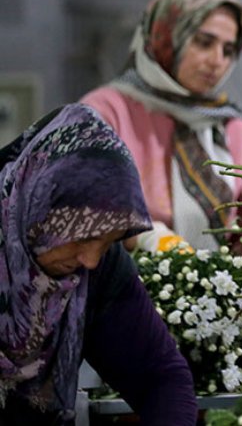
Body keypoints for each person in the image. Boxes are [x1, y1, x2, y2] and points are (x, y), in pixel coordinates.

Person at [0, 104, 197, 425]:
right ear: (40, 207)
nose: (90, 260)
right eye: (82, 238)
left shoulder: (100, 269)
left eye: (107, 242)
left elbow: (159, 378)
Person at [81, 0, 242, 252]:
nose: (218, 61)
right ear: (166, 37)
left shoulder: (230, 129)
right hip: (121, 286)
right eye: (204, 43)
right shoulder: (104, 113)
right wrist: (147, 238)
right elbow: (78, 215)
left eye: (228, 51)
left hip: (215, 289)